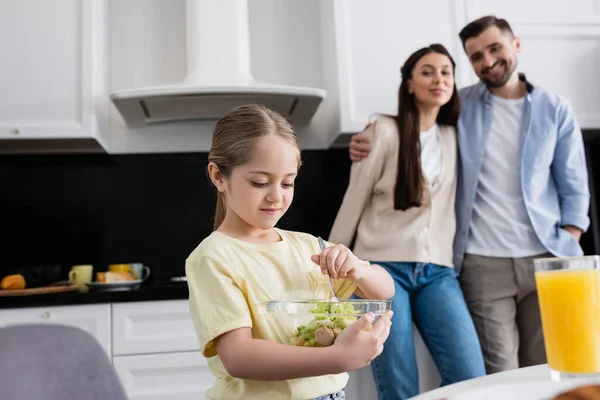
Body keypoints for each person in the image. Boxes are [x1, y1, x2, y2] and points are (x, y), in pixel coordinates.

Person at [349, 16, 590, 374]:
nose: (488, 61)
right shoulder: (459, 106)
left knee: (547, 367)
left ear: (516, 45)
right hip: (482, 263)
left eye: (495, 48)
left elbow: (574, 184)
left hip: (545, 256)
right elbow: (416, 124)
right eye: (476, 56)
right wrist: (368, 136)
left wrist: (569, 236)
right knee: (500, 374)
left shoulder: (555, 108)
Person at [185, 104, 395, 400]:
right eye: (260, 182)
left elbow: (384, 290)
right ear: (218, 176)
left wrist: (359, 270)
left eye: (287, 182)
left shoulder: (309, 246)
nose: (276, 196)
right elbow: (239, 357)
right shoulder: (214, 257)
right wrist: (339, 358)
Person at [329, 44, 486, 400]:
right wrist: (330, 267)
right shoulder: (382, 131)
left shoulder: (455, 136)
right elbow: (353, 200)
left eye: (446, 72)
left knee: (471, 379)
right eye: (428, 72)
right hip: (382, 269)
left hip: (438, 271)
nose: (439, 79)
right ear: (410, 84)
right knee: (399, 386)